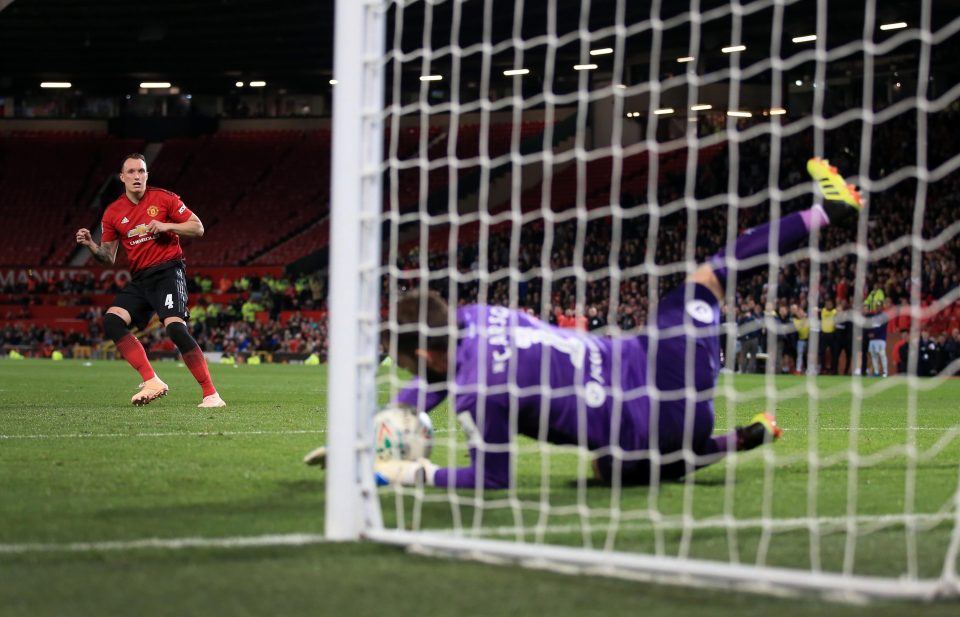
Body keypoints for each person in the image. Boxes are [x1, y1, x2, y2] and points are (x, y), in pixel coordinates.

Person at [370, 158, 861, 489]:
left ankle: (735, 439)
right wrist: (383, 429)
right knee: (711, 276)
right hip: (661, 357)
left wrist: (414, 470)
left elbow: (493, 479)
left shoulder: (480, 396)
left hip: (667, 428)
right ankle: (824, 213)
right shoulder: (475, 316)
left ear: (428, 354)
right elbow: (438, 374)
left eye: (412, 361)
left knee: (611, 467)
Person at [75, 153, 226, 408]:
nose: (137, 176)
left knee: (175, 328)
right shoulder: (113, 212)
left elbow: (197, 227)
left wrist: (168, 227)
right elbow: (107, 257)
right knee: (112, 320)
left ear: (147, 175)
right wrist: (91, 244)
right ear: (122, 177)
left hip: (168, 272)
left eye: (142, 171)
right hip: (141, 279)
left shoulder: (164, 199)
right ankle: (152, 380)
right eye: (132, 172)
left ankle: (211, 394)